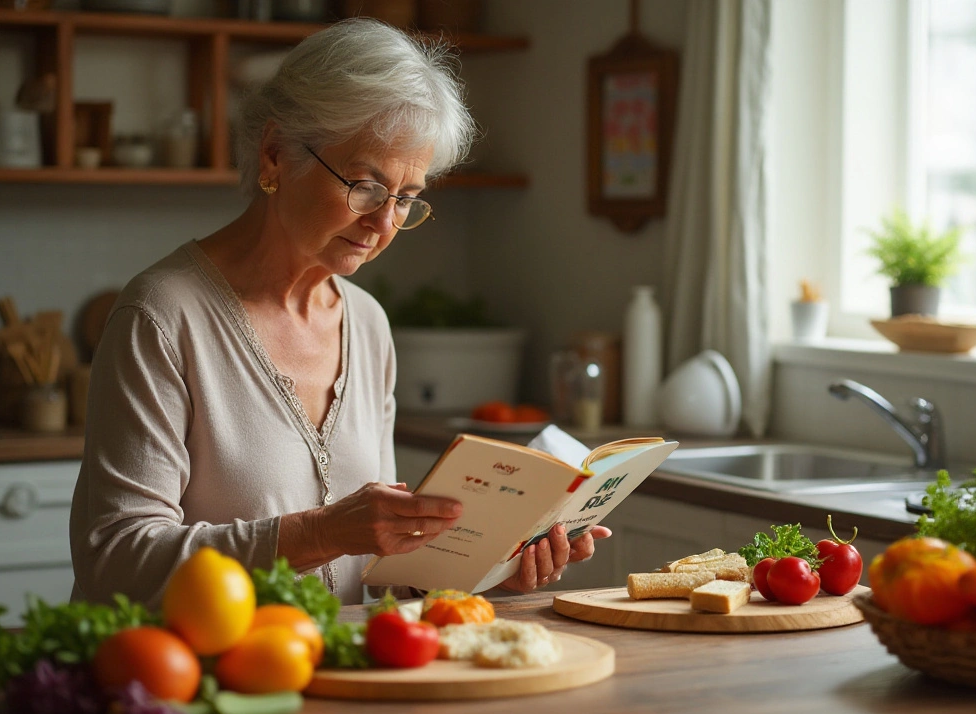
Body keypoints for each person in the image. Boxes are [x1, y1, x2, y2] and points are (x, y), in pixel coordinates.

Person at [69, 19, 610, 607]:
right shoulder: (161, 318)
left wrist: (483, 572)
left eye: (406, 199)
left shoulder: (369, 325)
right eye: (365, 185)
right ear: (274, 155)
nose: (383, 224)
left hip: (334, 683)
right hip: (189, 683)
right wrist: (321, 533)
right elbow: (116, 560)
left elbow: (369, 574)